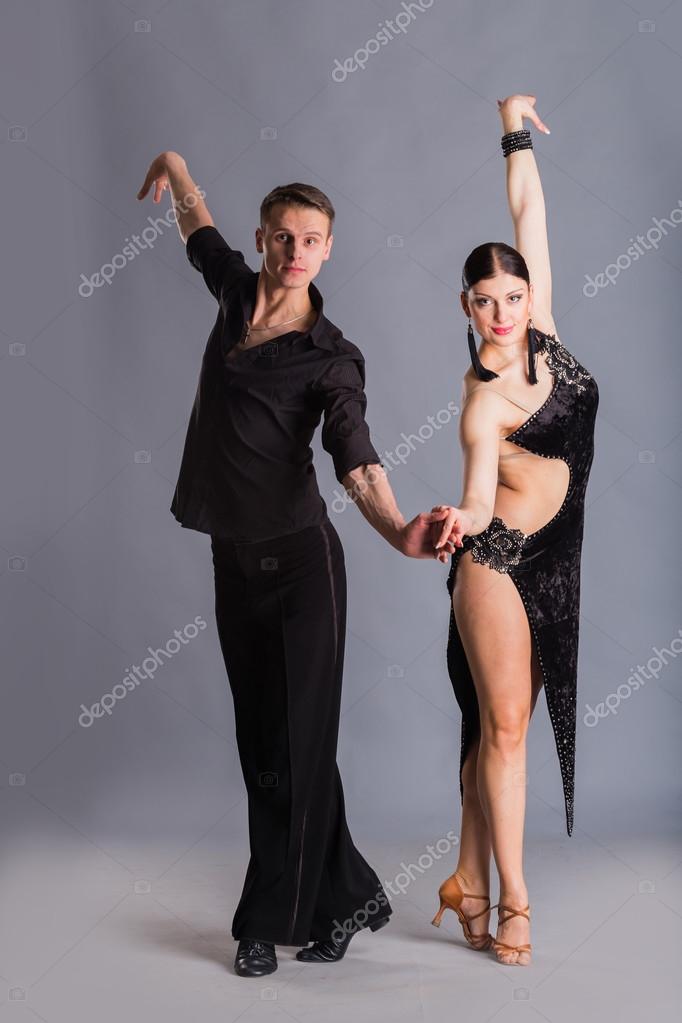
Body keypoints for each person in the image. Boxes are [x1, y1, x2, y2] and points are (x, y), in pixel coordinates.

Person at [136, 155, 459, 977]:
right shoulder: (236, 292)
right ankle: (350, 895)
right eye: (282, 236)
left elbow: (355, 455)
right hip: (233, 558)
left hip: (303, 566)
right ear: (263, 239)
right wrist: (176, 169)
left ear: (327, 250)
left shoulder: (331, 357)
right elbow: (195, 234)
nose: (295, 250)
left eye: (311, 239)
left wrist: (398, 532)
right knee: (270, 743)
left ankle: (262, 920)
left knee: (299, 743)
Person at [429, 95, 599, 966]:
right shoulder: (482, 399)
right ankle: (516, 903)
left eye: (516, 294)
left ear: (531, 293)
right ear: (468, 303)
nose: (504, 312)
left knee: (496, 736)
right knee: (503, 730)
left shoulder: (552, 339)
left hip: (558, 566)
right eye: (488, 300)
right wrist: (460, 520)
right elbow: (484, 503)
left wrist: (512, 122)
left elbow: (530, 206)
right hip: (498, 565)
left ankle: (465, 876)